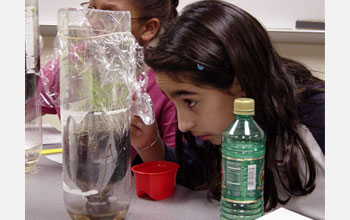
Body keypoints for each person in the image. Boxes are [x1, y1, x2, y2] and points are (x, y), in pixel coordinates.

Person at [134, 0, 325, 219]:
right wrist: (147, 141)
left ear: (241, 82)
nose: (183, 124)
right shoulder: (218, 132)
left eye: (190, 102)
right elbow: (189, 176)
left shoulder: (320, 117)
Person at [39, 0, 179, 165]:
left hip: (135, 188)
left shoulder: (167, 83)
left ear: (148, 28)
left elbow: (177, 175)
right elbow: (26, 104)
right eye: (91, 9)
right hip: (78, 181)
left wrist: (148, 143)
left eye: (108, 14)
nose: (92, 22)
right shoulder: (74, 61)